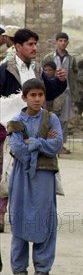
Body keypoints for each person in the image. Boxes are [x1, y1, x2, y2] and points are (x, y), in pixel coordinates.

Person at [0, 28, 66, 235]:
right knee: (6, 173)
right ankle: (1, 215)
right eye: (29, 44)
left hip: (37, 128)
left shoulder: (36, 70)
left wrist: (60, 82)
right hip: (9, 129)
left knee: (34, 172)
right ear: (18, 47)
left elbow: (48, 92)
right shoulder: (5, 70)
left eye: (35, 44)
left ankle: (29, 217)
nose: (34, 48)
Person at [7, 78, 63, 275]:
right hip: (22, 177)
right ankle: (19, 268)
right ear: (24, 97)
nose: (37, 99)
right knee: (20, 216)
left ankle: (42, 267)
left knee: (44, 219)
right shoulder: (16, 121)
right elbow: (17, 149)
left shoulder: (51, 119)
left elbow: (56, 145)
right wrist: (41, 144)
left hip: (44, 177)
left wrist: (34, 142)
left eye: (40, 95)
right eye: (33, 95)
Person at [43, 33, 79, 154]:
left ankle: (61, 144)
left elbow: (74, 77)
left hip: (67, 91)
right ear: (56, 42)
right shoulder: (49, 57)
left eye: (65, 41)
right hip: (53, 92)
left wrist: (75, 93)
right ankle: (51, 143)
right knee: (52, 118)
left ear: (68, 42)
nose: (62, 43)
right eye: (60, 40)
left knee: (64, 120)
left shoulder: (71, 59)